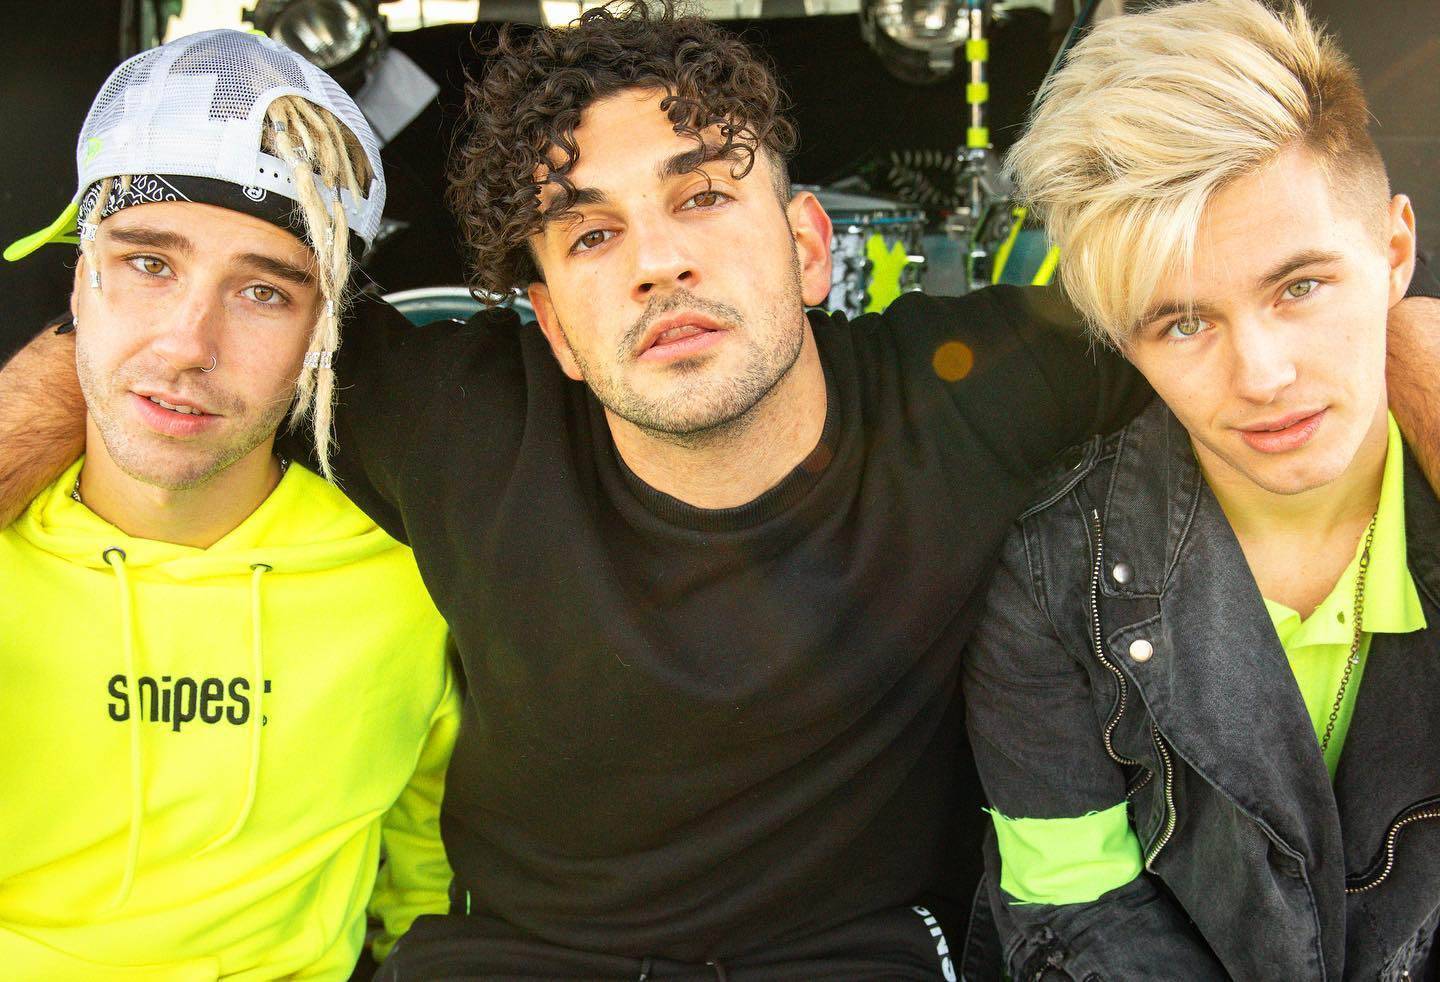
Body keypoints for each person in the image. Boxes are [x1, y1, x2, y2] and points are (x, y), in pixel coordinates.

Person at [0, 4, 1436, 979]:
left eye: (702, 195)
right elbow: (174, 336)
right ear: (552, 326)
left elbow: (1268, 287)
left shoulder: (983, 388)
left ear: (809, 247)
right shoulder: (445, 413)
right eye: (589, 233)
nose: (658, 261)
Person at [962, 1, 1440, 978]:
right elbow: (1074, 913)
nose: (1261, 374)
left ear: (1395, 254)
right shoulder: (1056, 579)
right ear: (1122, 341)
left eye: (1300, 286)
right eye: (1182, 323)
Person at [0, 30, 457, 978]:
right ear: (80, 280)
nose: (187, 346)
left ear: (325, 333)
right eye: (149, 264)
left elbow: (434, 890)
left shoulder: (413, 581)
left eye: (262, 292)